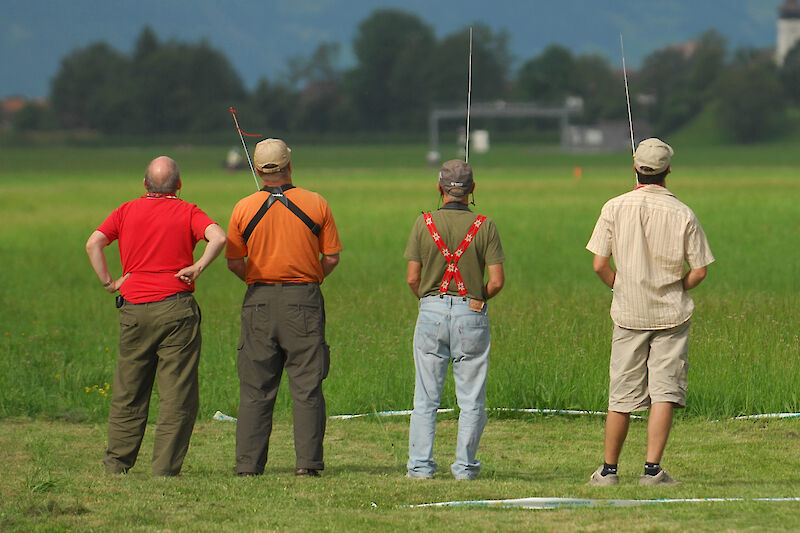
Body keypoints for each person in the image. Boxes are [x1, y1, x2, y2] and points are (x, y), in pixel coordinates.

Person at [85, 156, 227, 476]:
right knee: (177, 393)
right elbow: (218, 236)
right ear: (179, 184)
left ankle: (117, 463)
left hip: (133, 308)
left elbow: (94, 243)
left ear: (144, 184)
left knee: (129, 389)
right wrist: (198, 266)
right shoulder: (188, 211)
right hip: (176, 308)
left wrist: (110, 283)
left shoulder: (125, 210)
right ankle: (164, 468)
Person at [585, 138, 714, 486]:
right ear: (668, 170)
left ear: (635, 169)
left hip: (628, 313)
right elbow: (700, 270)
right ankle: (652, 470)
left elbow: (599, 264)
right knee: (664, 392)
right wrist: (677, 287)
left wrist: (620, 286)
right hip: (672, 314)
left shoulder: (613, 207)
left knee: (621, 395)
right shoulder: (683, 213)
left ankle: (608, 471)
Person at [226, 138, 342, 478]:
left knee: (256, 388)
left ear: (257, 170)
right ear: (289, 165)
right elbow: (331, 257)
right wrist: (311, 278)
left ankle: (248, 466)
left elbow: (234, 261)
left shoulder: (243, 208)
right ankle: (307, 464)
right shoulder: (316, 203)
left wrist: (256, 280)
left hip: (258, 300)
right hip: (304, 300)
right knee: (306, 386)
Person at [404, 160, 505, 480]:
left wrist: (429, 301)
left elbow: (412, 277)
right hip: (470, 313)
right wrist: (477, 299)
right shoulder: (485, 225)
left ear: (440, 188)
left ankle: (420, 466)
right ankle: (465, 467)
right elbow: (497, 281)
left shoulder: (424, 223)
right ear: (472, 189)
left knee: (426, 397)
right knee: (471, 398)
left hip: (430, 312)